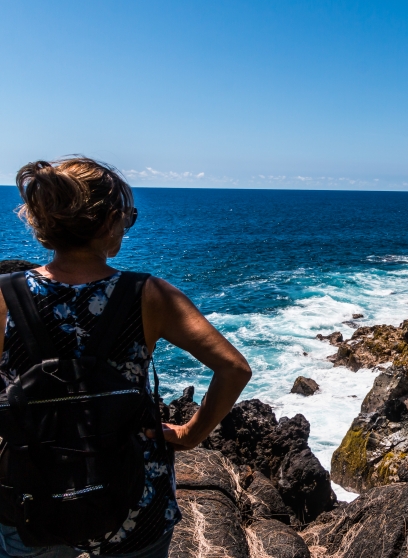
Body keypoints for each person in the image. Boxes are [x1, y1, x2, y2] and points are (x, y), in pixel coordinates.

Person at [0, 158, 252, 557]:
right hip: (134, 492)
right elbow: (233, 368)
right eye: (128, 217)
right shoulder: (147, 295)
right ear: (109, 222)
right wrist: (189, 434)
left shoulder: (5, 296)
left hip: (33, 487)